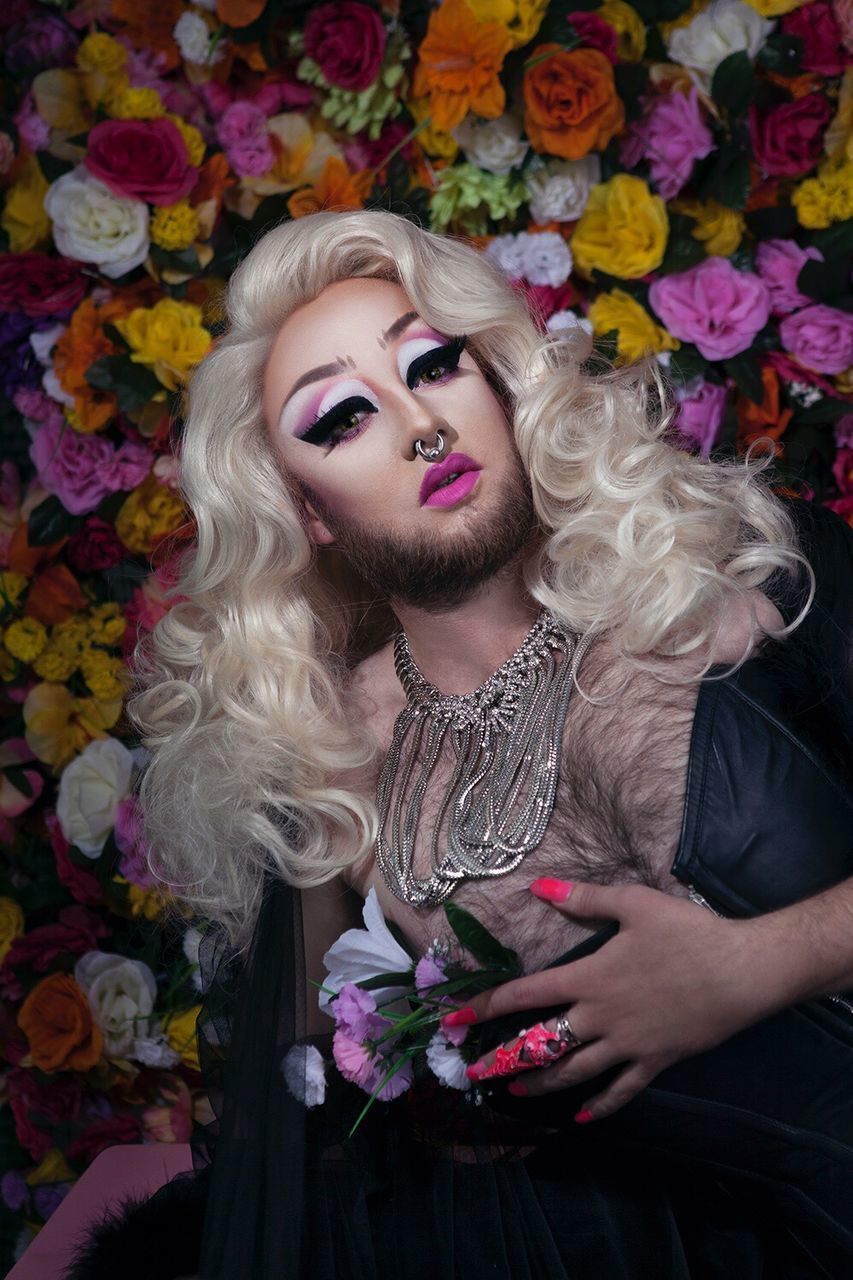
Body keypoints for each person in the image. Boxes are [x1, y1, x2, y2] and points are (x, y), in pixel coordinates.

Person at [67, 210, 853, 1279]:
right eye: (343, 417)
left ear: (497, 380)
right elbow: (302, 1122)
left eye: (432, 363)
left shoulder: (740, 573)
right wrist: (432, 1096)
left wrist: (750, 966)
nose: (421, 425)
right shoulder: (326, 755)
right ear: (309, 511)